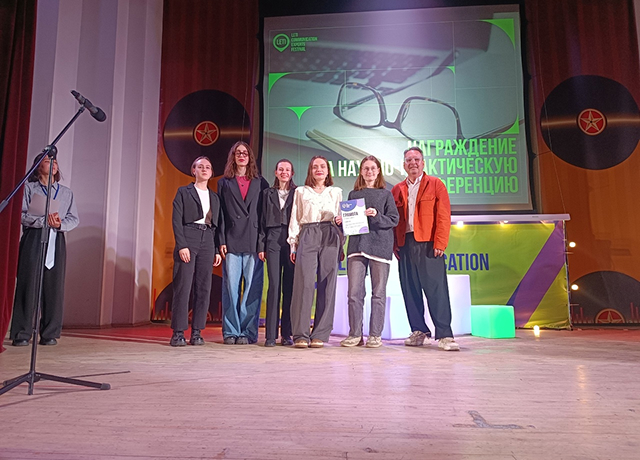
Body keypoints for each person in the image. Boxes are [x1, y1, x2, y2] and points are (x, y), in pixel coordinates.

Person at [391, 146, 459, 351]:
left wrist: (440, 242)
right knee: (410, 290)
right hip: (405, 244)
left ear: (423, 163)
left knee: (436, 289)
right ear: (404, 165)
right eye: (409, 160)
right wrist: (395, 245)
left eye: (416, 159)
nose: (413, 163)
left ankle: (445, 334)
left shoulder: (436, 184)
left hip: (429, 243)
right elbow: (394, 220)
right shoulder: (397, 189)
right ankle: (419, 331)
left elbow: (444, 215)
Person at [10, 153, 79, 346]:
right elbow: (21, 215)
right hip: (34, 237)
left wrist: (59, 224)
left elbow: (74, 218)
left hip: (56, 238)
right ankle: (22, 333)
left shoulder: (66, 193)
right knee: (28, 285)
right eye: (48, 161)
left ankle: (50, 333)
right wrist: (42, 221)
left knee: (54, 286)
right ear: (37, 166)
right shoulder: (28, 188)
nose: (53, 164)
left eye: (55, 161)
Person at [340, 156, 399, 348]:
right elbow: (350, 223)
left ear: (378, 171)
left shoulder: (386, 195)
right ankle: (355, 334)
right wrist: (342, 221)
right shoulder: (353, 194)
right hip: (357, 247)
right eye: (366, 168)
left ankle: (375, 335)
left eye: (373, 168)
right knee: (354, 293)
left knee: (378, 293)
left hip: (380, 247)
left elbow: (394, 219)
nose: (369, 171)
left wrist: (377, 216)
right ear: (361, 171)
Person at [288, 156, 343, 348]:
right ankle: (301, 334)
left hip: (330, 233)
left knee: (328, 283)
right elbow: (295, 218)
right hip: (308, 232)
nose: (319, 169)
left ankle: (320, 333)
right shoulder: (301, 191)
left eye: (322, 166)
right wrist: (293, 244)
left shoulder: (336, 192)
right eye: (315, 167)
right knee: (304, 283)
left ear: (328, 171)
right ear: (310, 171)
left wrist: (340, 226)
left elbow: (341, 217)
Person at [218, 141, 269, 345]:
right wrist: (221, 240)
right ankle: (231, 331)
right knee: (231, 289)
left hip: (253, 240)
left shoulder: (260, 182)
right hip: (231, 239)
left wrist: (262, 244)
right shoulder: (224, 182)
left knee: (251, 289)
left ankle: (248, 332)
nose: (241, 156)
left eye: (245, 153)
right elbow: (220, 214)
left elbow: (264, 216)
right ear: (233, 157)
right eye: (238, 153)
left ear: (250, 157)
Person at [169, 156, 222, 347]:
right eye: (200, 167)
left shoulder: (214, 197)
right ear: (194, 170)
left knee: (203, 287)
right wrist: (181, 245)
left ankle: (197, 332)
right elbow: (176, 220)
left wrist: (216, 249)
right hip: (188, 236)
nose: (204, 169)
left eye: (208, 167)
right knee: (183, 285)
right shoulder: (184, 192)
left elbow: (217, 225)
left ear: (211, 172)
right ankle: (178, 332)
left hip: (207, 239)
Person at [260, 159, 296, 347]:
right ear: (275, 172)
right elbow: (261, 220)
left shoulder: (298, 193)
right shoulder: (267, 193)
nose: (284, 172)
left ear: (292, 173)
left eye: (287, 170)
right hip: (272, 239)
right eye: (281, 169)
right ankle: (270, 335)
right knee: (274, 286)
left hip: (291, 241)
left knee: (289, 288)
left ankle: (287, 334)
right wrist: (261, 246)